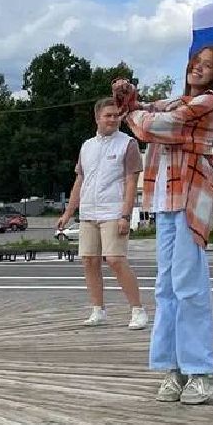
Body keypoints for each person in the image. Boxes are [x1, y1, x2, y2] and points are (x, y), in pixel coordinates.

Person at [114, 46, 213, 405]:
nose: (198, 69)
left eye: (207, 66)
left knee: (189, 284)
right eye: (195, 63)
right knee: (166, 286)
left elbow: (158, 126)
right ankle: (173, 367)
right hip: (166, 201)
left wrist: (130, 111)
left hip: (191, 198)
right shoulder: (178, 100)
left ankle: (201, 369)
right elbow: (150, 110)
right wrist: (130, 98)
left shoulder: (209, 103)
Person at [56, 97, 149, 330]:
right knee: (89, 260)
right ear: (97, 118)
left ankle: (138, 310)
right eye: (108, 115)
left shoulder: (128, 144)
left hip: (113, 211)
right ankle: (98, 310)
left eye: (116, 115)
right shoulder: (87, 146)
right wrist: (68, 212)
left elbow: (131, 182)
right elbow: (80, 180)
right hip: (88, 212)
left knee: (116, 260)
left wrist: (125, 216)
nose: (113, 119)